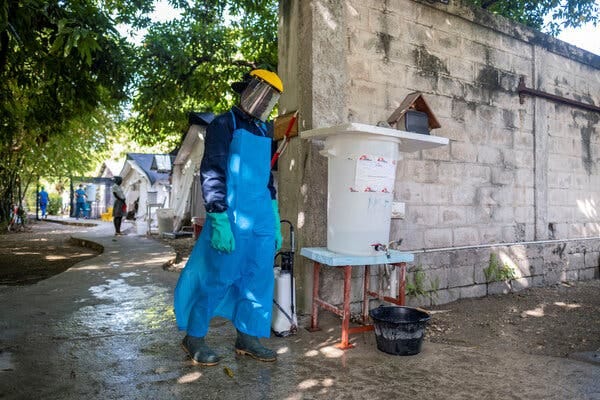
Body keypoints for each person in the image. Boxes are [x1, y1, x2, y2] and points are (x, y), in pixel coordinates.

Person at [174, 69, 284, 366]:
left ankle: (247, 337)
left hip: (260, 218)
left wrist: (274, 218)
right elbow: (212, 171)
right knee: (217, 277)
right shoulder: (224, 123)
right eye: (261, 92)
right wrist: (218, 218)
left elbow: (267, 179)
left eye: (271, 98)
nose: (264, 101)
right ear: (246, 90)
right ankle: (194, 337)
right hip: (230, 217)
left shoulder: (265, 131)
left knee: (258, 278)